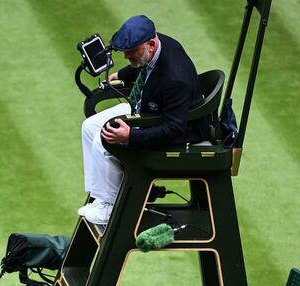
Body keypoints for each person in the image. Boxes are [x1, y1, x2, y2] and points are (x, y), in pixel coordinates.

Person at [78, 15, 205, 227]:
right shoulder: (157, 44)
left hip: (175, 129)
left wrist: (131, 136)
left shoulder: (175, 79)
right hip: (146, 107)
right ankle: (102, 197)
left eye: (131, 51)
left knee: (105, 138)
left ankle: (110, 207)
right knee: (89, 127)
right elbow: (142, 65)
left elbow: (174, 129)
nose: (127, 55)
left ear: (151, 44)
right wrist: (123, 74)